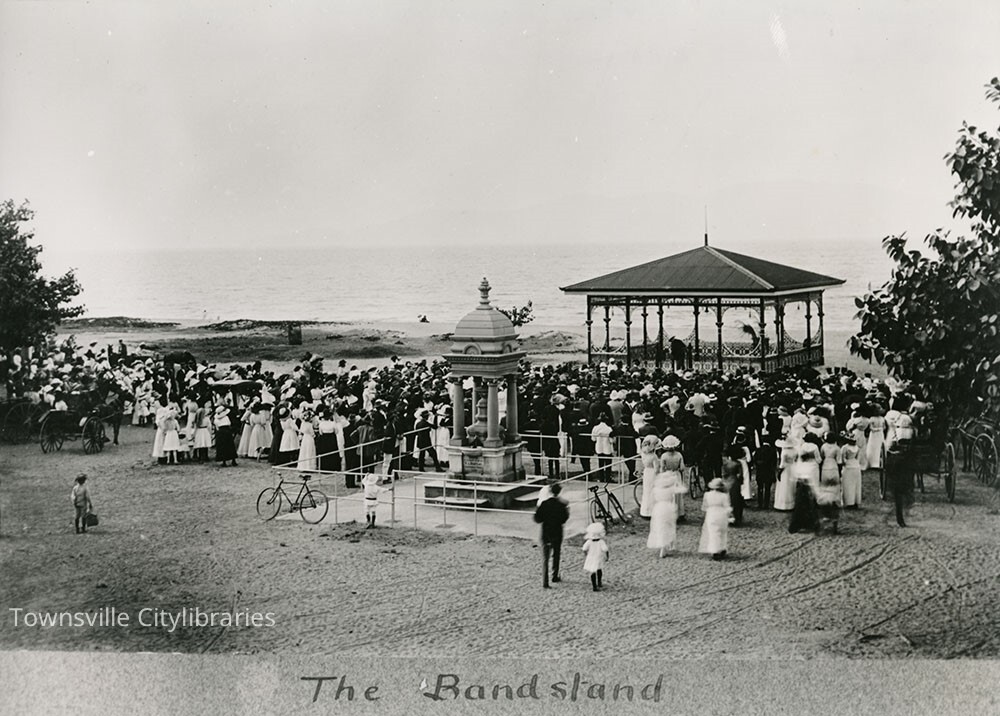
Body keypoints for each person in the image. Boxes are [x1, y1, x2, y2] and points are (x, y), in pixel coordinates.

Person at [647, 455, 688, 558]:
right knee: (668, 527)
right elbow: (683, 490)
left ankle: (661, 546)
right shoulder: (670, 489)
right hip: (668, 508)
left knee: (659, 527)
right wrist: (677, 482)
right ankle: (665, 546)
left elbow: (651, 500)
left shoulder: (656, 489)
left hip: (658, 508)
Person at [533, 482, 569, 588]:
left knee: (545, 557)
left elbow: (537, 519)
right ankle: (555, 575)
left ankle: (545, 581)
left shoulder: (544, 504)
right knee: (556, 554)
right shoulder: (562, 505)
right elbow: (564, 519)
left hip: (546, 532)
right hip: (557, 532)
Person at [884, 438, 915, 527]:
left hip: (898, 482)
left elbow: (888, 471)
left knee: (900, 501)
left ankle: (901, 519)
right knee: (900, 501)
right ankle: (901, 520)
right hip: (900, 482)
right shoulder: (905, 458)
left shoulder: (892, 457)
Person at [698, 478, 731, 560]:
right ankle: (722, 548)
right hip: (721, 514)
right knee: (722, 532)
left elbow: (704, 507)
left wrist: (704, 517)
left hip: (711, 514)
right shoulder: (724, 496)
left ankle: (714, 550)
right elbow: (727, 507)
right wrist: (729, 516)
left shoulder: (707, 495)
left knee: (713, 533)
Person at [582, 522, 609, 592]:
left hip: (591, 558)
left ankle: (594, 586)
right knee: (599, 570)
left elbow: (584, 549)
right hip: (599, 557)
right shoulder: (601, 542)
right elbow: (605, 549)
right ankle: (599, 582)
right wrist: (607, 556)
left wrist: (586, 554)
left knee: (592, 571)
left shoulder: (589, 542)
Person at [637, 435, 660, 518]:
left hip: (646, 472)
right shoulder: (654, 457)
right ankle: (652, 511)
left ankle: (645, 510)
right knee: (653, 491)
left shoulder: (643, 454)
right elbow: (656, 469)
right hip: (652, 473)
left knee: (646, 491)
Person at [722, 446, 744, 527]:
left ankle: (728, 518)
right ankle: (737, 518)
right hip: (735, 482)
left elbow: (723, 474)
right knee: (736, 500)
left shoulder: (726, 463)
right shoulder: (738, 464)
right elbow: (740, 475)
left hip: (727, 482)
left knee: (728, 500)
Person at [840, 433, 863, 508]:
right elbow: (858, 459)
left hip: (848, 466)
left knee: (848, 485)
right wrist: (856, 463)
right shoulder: (857, 448)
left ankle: (849, 502)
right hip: (856, 466)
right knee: (856, 484)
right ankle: (856, 501)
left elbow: (842, 458)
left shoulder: (845, 447)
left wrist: (845, 463)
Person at [753, 440, 777, 510]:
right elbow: (774, 464)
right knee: (767, 489)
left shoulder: (758, 450)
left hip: (760, 472)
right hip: (768, 472)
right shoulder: (772, 451)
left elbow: (755, 460)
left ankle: (760, 504)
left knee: (760, 488)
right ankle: (766, 504)